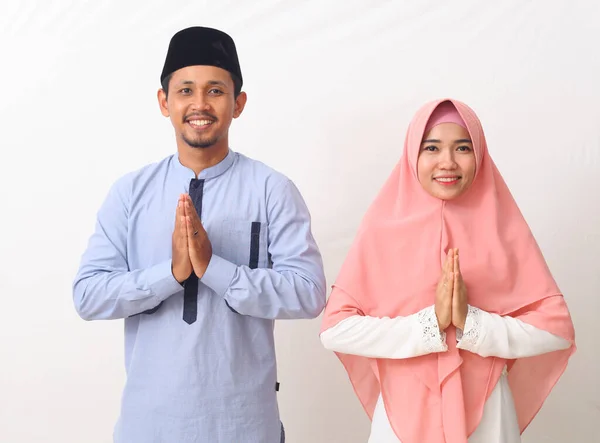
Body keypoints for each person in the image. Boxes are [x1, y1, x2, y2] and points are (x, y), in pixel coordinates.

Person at [72, 26, 326, 443]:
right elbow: (87, 295)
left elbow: (310, 293)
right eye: (185, 90)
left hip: (244, 427)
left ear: (238, 103)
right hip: (148, 426)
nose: (199, 104)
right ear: (164, 102)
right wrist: (169, 275)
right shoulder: (131, 192)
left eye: (215, 91)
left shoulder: (271, 189)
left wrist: (214, 269)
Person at [320, 99, 575, 443]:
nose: (448, 162)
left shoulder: (504, 227)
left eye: (463, 147)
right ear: (413, 154)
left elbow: (557, 329)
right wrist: (428, 326)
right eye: (432, 147)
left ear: (480, 154)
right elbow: (335, 329)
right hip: (401, 417)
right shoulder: (382, 229)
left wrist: (472, 323)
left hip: (489, 418)